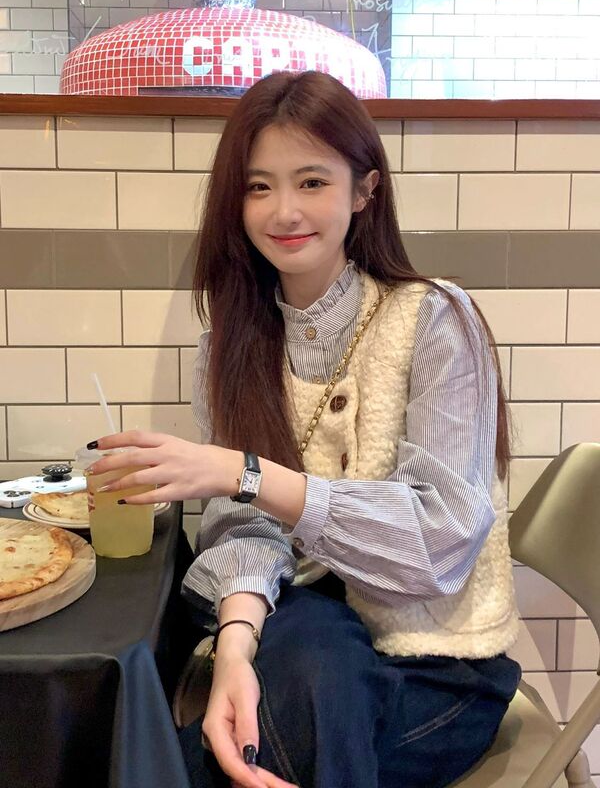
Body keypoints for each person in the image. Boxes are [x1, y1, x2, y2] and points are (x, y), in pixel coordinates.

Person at [86, 70, 521, 788]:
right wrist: (233, 648)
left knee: (264, 729)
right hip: (305, 641)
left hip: (438, 666)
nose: (284, 210)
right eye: (258, 187)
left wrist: (246, 474)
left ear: (364, 190)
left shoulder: (436, 321)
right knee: (316, 664)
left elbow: (441, 542)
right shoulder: (229, 346)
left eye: (312, 181)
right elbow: (243, 531)